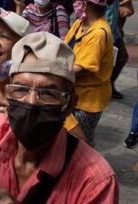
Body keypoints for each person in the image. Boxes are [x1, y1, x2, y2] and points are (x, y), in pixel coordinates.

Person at [0, 31, 119, 203]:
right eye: (20, 90)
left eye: (48, 93)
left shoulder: (94, 182)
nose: (31, 102)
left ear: (69, 105)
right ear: (8, 94)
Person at [0, 10, 86, 141]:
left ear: (24, 47)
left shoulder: (38, 93)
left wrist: (27, 122)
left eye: (3, 36)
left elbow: (80, 141)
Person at [64, 0, 113, 146]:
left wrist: (52, 73)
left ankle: (87, 166)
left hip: (87, 100)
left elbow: (82, 68)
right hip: (73, 93)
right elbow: (64, 48)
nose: (76, 3)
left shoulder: (99, 33)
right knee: (66, 138)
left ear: (87, 5)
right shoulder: (79, 24)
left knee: (79, 141)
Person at [106, 0, 129, 99]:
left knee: (122, 57)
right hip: (105, 31)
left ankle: (109, 85)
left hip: (115, 31)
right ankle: (105, 88)